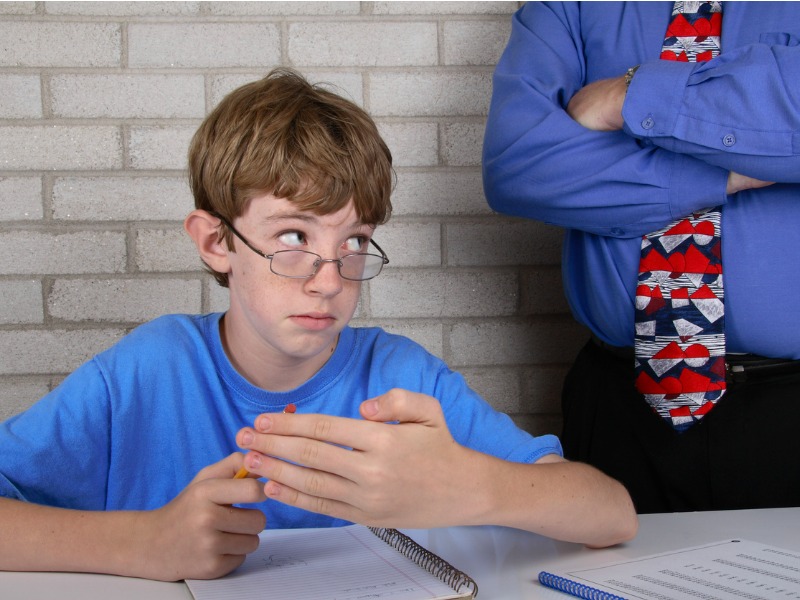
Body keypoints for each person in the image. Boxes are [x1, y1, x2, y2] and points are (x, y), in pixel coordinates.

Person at [0, 68, 637, 582]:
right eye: (294, 235)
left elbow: (612, 516)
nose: (329, 279)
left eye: (355, 241)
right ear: (217, 242)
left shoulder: (399, 377)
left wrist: (471, 485)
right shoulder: (147, 371)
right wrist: (144, 543)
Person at [483, 2, 800, 514]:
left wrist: (627, 96)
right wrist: (728, 173)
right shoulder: (570, 6)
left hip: (789, 407)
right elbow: (517, 164)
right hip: (618, 408)